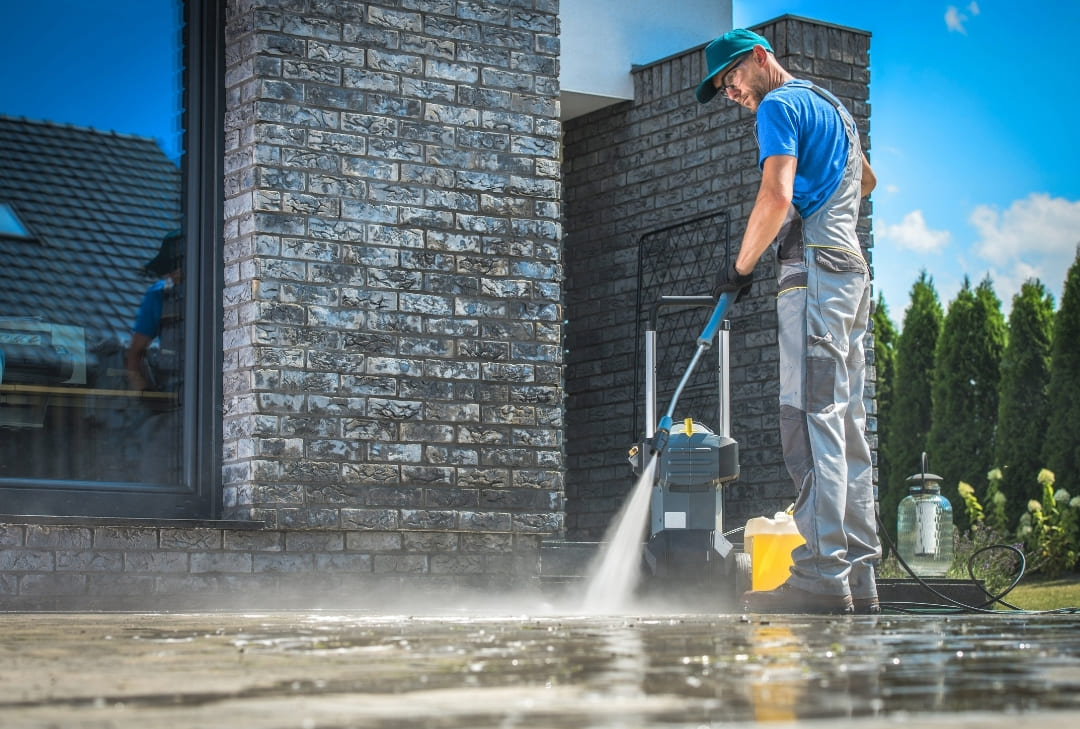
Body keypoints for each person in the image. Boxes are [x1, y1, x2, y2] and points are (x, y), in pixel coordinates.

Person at [697, 29, 879, 614]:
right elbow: (867, 182)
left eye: (731, 78)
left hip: (817, 277)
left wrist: (739, 267)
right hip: (850, 271)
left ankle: (822, 575)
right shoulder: (834, 109)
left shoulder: (778, 105)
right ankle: (859, 575)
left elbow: (774, 198)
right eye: (723, 88)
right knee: (845, 424)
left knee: (809, 418)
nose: (731, 92)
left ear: (759, 56)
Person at [126, 229, 184, 393]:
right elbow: (134, 354)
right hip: (172, 396)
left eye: (178, 267)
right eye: (170, 269)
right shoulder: (158, 295)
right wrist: (145, 394)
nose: (174, 274)